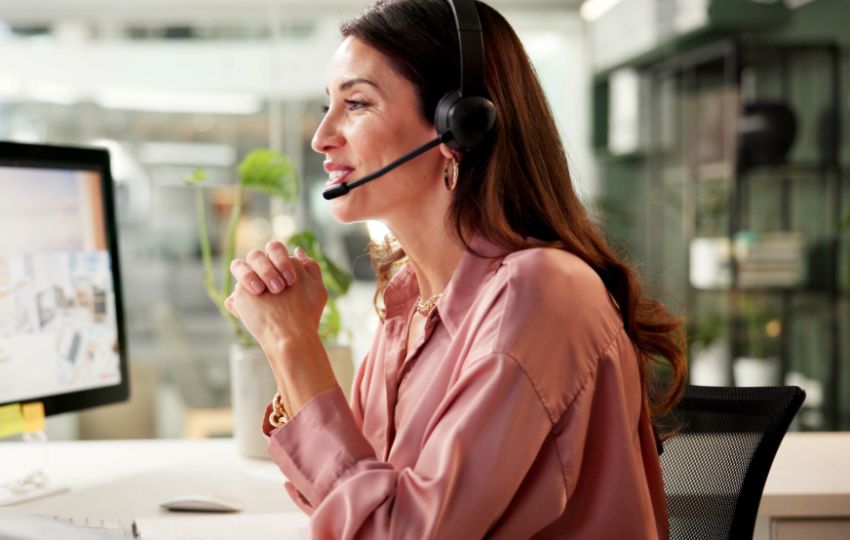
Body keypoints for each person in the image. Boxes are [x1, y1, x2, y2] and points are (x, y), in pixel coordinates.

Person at [222, 0, 686, 538]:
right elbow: (351, 505)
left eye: (356, 103)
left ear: (458, 125)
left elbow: (396, 531)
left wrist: (293, 345)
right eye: (329, 104)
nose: (322, 136)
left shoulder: (538, 293)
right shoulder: (408, 303)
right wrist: (287, 349)